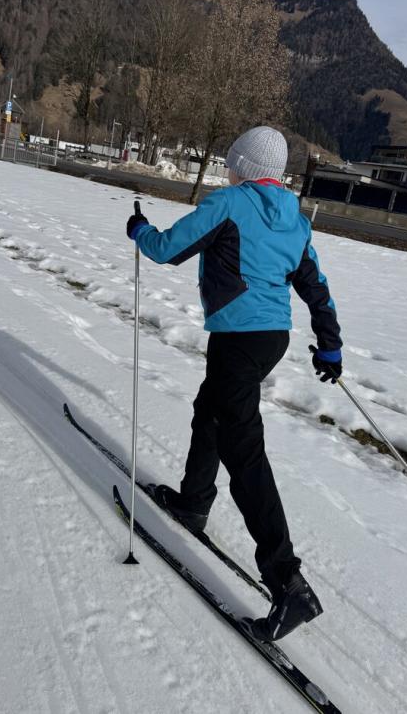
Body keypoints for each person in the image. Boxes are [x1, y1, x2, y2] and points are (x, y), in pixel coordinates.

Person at [126, 126, 343, 642]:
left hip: (240, 340)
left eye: (232, 162)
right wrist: (330, 344)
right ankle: (194, 499)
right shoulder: (294, 217)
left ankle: (287, 581)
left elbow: (166, 249)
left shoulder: (229, 203)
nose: (227, 169)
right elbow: (315, 285)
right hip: (269, 339)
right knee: (212, 410)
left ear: (244, 165)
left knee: (242, 449)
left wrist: (138, 230)